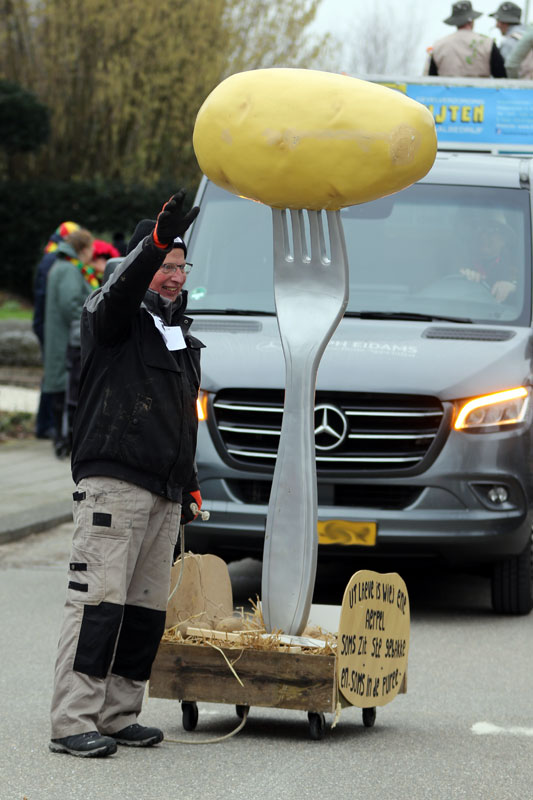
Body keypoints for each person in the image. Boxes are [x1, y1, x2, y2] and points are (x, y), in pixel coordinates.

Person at [49, 189, 201, 758]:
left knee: (142, 616)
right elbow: (121, 291)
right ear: (142, 262)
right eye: (164, 265)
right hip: (114, 485)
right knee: (97, 607)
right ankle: (71, 722)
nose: (173, 276)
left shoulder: (181, 332)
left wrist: (187, 481)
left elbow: (181, 412)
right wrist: (154, 242)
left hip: (164, 493)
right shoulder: (110, 316)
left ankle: (117, 715)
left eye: (181, 266)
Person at [42, 228, 97, 457]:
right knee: (67, 390)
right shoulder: (69, 270)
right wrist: (91, 321)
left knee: (61, 389)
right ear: (82, 249)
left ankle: (62, 439)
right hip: (67, 340)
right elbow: (71, 305)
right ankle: (65, 440)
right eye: (91, 248)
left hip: (61, 338)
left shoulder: (62, 266)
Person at [63, 239, 122, 453]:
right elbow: (74, 305)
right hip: (79, 337)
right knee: (75, 391)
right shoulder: (76, 271)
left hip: (81, 336)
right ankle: (71, 438)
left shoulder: (83, 272)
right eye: (93, 252)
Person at [32, 221, 81, 439]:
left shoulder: (52, 256)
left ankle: (46, 425)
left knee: (52, 374)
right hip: (49, 325)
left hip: (47, 323)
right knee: (53, 374)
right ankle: (46, 425)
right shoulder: (54, 259)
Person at [425, 1, 507, 77]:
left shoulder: (439, 45)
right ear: (472, 21)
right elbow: (501, 75)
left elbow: (431, 77)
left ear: (454, 22)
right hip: (479, 92)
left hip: (448, 92)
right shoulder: (487, 43)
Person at [459, 216, 518, 302]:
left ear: (504, 240)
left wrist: (513, 287)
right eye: (481, 230)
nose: (483, 236)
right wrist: (464, 277)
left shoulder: (514, 268)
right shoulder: (462, 260)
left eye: (492, 231)